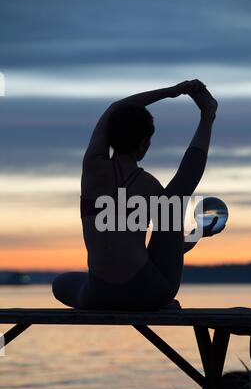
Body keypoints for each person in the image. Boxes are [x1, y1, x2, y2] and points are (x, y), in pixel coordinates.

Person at [52, 79, 218, 310]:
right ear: (144, 143)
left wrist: (172, 92)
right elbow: (171, 250)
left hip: (98, 296)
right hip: (147, 293)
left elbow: (114, 109)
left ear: (110, 137)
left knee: (59, 283)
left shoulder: (92, 169)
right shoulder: (151, 188)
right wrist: (197, 234)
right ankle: (208, 117)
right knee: (175, 197)